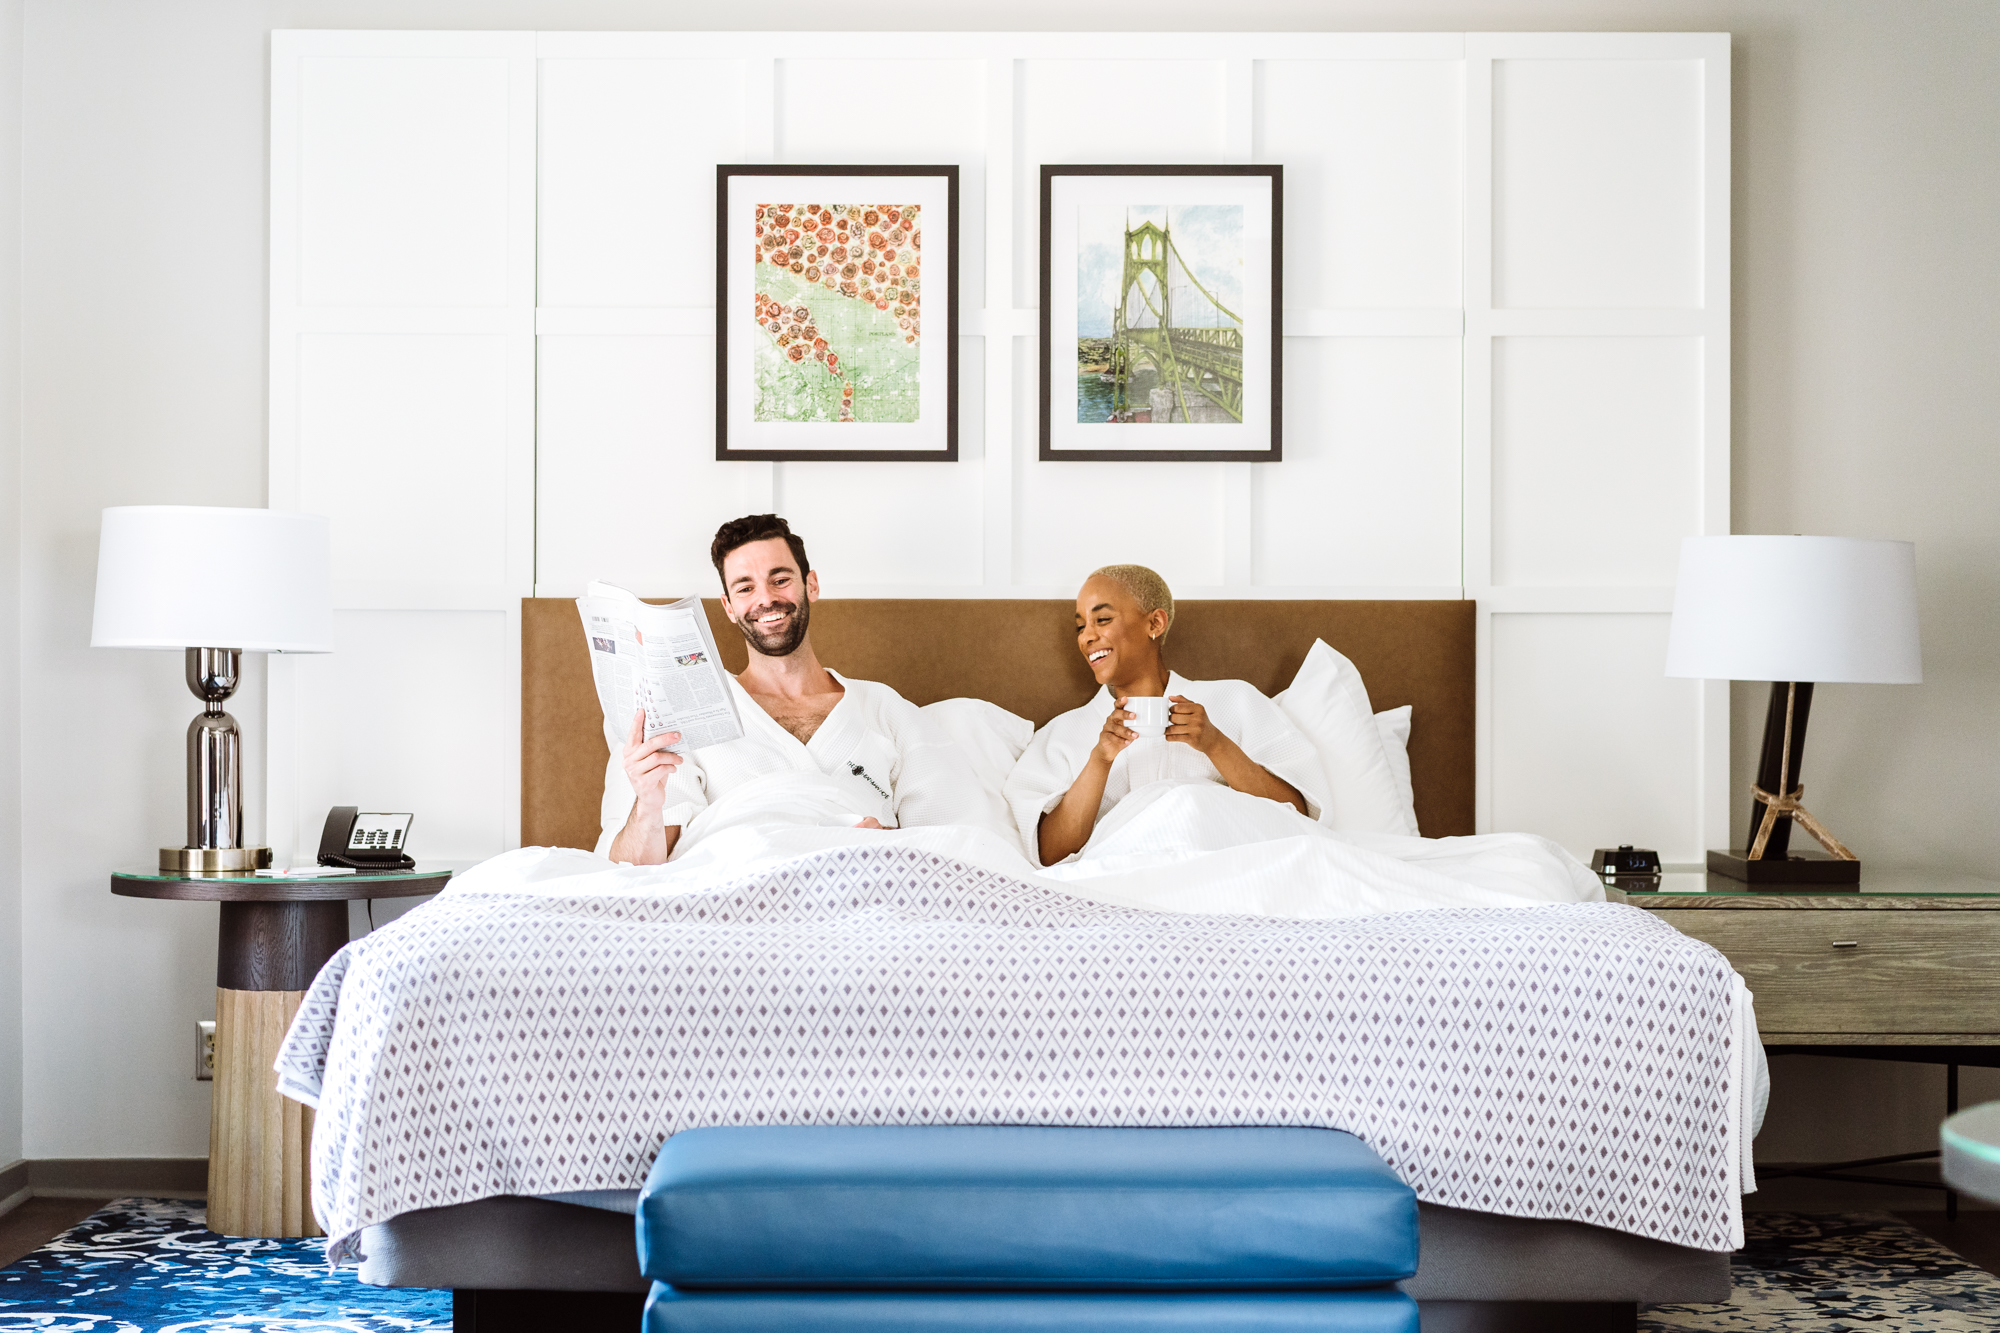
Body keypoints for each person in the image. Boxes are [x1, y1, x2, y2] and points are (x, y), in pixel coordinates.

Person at [602, 515, 987, 864]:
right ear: (729, 606)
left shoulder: (884, 709)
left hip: (865, 897)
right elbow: (633, 871)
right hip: (741, 905)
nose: (766, 599)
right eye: (745, 587)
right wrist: (648, 808)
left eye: (780, 579)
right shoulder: (687, 716)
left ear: (811, 584)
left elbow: (957, 844)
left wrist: (885, 844)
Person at [1006, 564, 1329, 867]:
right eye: (1080, 626)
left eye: (1102, 620)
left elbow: (1297, 815)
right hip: (1127, 886)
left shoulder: (1234, 700)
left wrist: (1216, 744)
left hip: (1225, 875)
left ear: (1155, 624)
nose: (1086, 637)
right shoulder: (1066, 731)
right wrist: (1100, 760)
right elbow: (1048, 855)